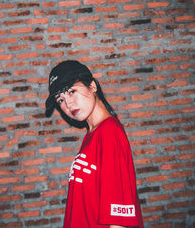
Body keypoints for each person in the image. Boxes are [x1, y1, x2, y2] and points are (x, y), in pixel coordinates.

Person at [45, 60, 144, 228]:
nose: (67, 104)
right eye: (60, 99)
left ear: (92, 86)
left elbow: (117, 220)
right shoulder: (92, 135)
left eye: (71, 91)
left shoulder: (109, 132)